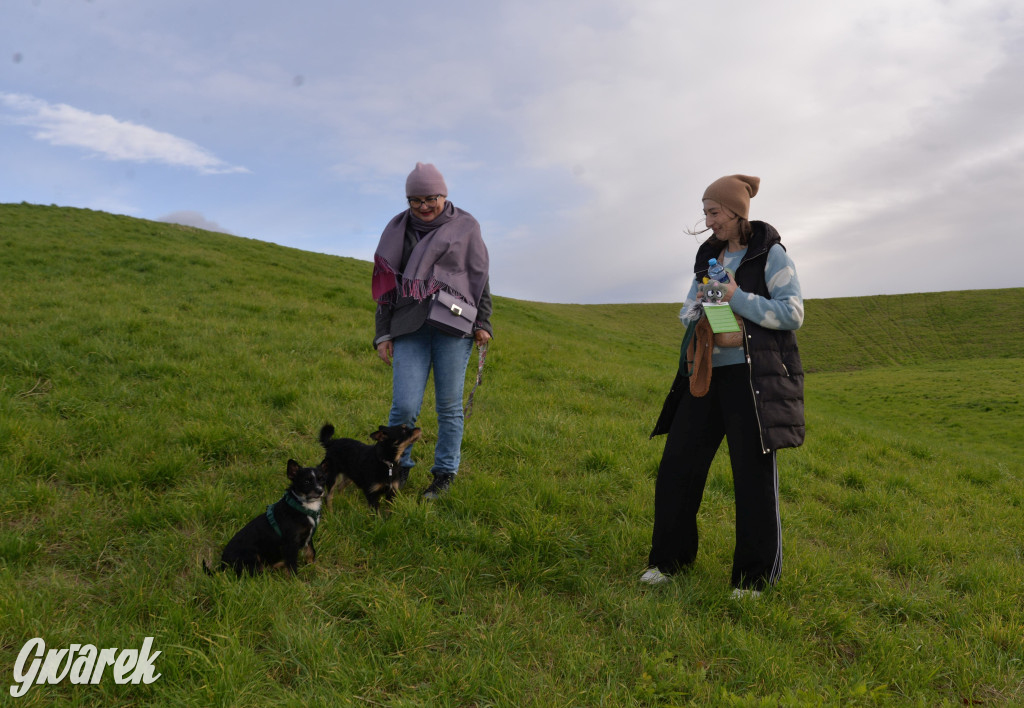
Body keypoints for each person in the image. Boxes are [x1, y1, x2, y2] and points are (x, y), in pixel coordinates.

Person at [643, 174, 805, 598]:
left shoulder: (771, 255)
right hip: (705, 376)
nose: (708, 221)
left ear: (736, 212)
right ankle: (669, 562)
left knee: (752, 477)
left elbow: (792, 313)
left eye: (714, 212)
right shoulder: (709, 259)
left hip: (752, 380)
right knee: (678, 466)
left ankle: (754, 580)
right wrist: (699, 307)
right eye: (705, 212)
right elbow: (687, 310)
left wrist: (735, 296)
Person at [372, 162, 493, 499]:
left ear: (444, 195)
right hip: (409, 327)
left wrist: (483, 323)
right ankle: (399, 467)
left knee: (449, 407)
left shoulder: (466, 227)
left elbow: (479, 278)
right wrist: (383, 334)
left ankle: (444, 473)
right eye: (415, 200)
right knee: (404, 407)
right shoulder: (397, 230)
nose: (423, 206)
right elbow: (386, 286)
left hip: (454, 327)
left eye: (430, 199)